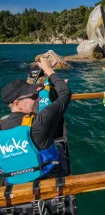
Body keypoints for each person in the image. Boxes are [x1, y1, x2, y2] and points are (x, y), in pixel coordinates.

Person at [0, 57, 71, 185]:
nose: (38, 99)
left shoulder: (1, 125)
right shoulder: (40, 120)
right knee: (59, 149)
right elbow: (65, 93)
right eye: (34, 96)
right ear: (17, 104)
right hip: (48, 181)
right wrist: (49, 70)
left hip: (14, 190)